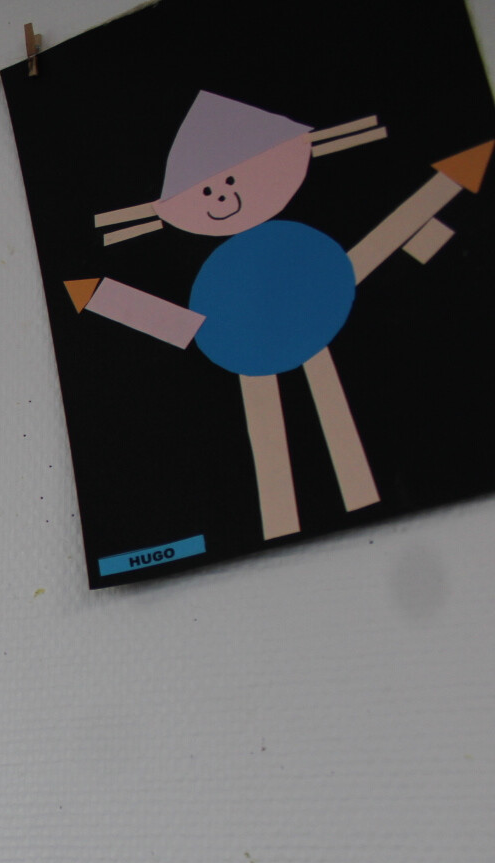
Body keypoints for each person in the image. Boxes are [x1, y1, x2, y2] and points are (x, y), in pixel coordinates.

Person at [70, 91, 491, 539]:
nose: (222, 197)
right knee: (268, 424)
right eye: (207, 191)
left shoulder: (293, 249)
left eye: (230, 182)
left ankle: (348, 493)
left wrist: (435, 209)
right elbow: (189, 325)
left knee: (329, 401)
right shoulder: (233, 269)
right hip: (246, 344)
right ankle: (283, 515)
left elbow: (365, 257)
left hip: (301, 323)